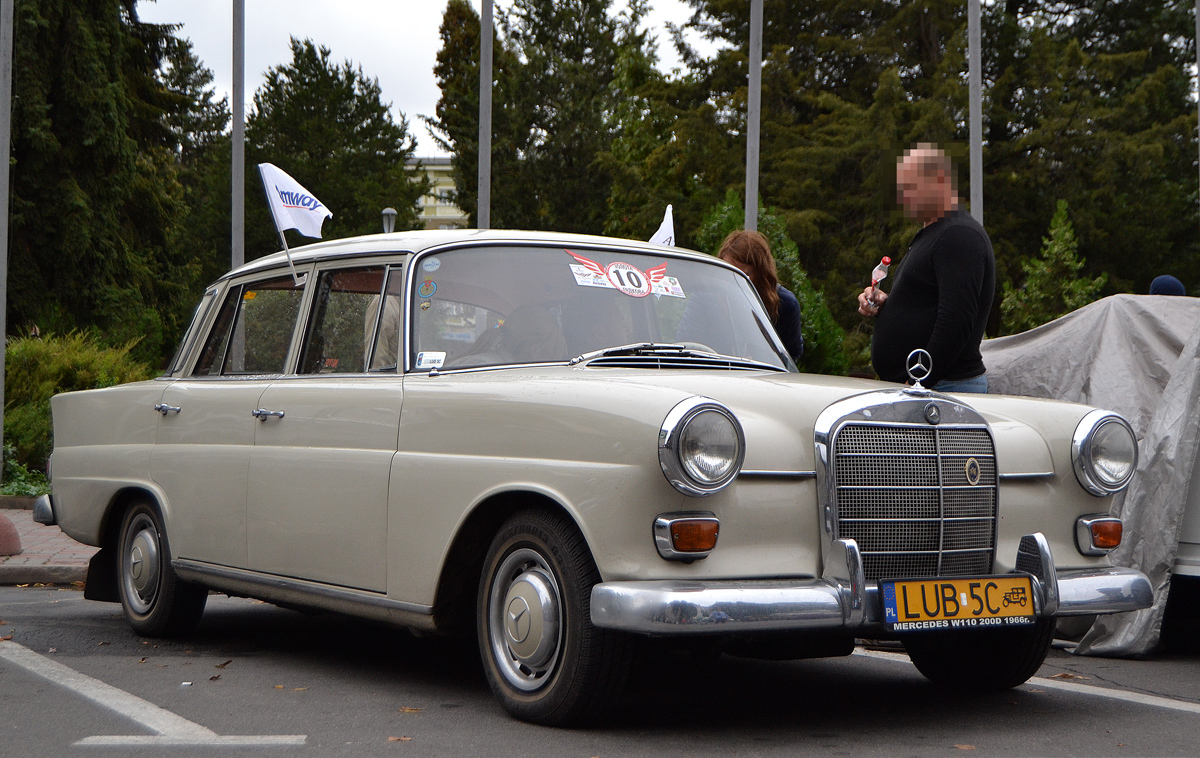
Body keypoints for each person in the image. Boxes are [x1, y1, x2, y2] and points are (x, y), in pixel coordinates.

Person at [857, 144, 995, 393]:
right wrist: (885, 305)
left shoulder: (958, 234)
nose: (902, 196)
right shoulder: (935, 233)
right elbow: (928, 305)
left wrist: (918, 384)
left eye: (909, 187)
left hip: (943, 389)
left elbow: (956, 321)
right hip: (931, 388)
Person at [718, 230, 804, 363]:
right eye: (727, 272)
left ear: (761, 275)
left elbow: (791, 357)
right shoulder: (706, 298)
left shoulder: (785, 305)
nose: (732, 281)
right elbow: (688, 341)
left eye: (743, 276)